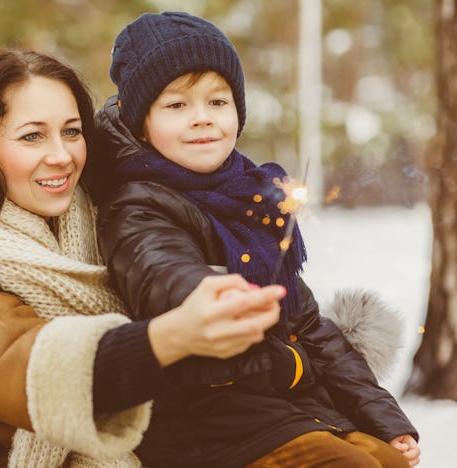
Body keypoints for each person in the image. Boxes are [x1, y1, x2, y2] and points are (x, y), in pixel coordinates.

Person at [0, 48, 288, 467]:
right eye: (32, 136)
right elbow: (21, 363)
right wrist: (170, 336)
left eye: (72, 132)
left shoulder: (109, 221)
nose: (62, 155)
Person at [91, 11, 421, 468]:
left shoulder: (252, 195)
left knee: (387, 459)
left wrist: (385, 417)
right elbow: (159, 267)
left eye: (218, 102)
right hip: (206, 424)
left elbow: (308, 324)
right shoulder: (139, 205)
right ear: (141, 122)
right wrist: (204, 292)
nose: (201, 119)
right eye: (177, 105)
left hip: (284, 410)